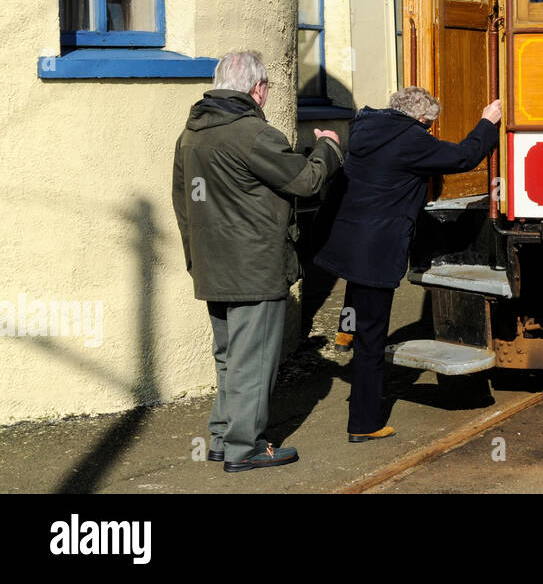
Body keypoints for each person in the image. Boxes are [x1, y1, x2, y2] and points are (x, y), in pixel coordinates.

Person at [172, 50, 343, 472]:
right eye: (267, 87)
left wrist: (195, 258)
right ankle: (245, 447)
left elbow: (183, 203)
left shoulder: (191, 135)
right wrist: (328, 147)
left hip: (214, 265)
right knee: (255, 361)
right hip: (255, 266)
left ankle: (222, 437)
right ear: (258, 88)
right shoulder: (254, 134)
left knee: (229, 355)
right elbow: (306, 181)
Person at [313, 86, 501, 442]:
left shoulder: (366, 128)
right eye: (428, 125)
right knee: (373, 342)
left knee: (357, 294)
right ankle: (364, 424)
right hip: (377, 249)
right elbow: (464, 157)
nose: (429, 131)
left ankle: (345, 329)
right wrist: (487, 123)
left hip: (350, 241)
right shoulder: (411, 140)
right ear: (418, 117)